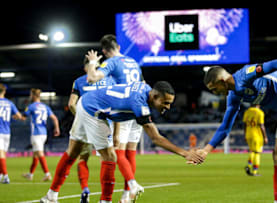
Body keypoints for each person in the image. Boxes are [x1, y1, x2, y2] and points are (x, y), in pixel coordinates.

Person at [40, 81, 204, 203]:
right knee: (110, 157)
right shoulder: (139, 104)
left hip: (85, 102)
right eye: (165, 102)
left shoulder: (145, 89)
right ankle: (105, 200)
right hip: (94, 111)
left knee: (72, 153)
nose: (167, 107)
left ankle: (51, 196)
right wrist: (185, 153)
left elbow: (118, 103)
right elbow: (155, 138)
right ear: (154, 96)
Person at [196, 59, 277, 203]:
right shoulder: (234, 96)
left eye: (214, 88)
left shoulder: (245, 74)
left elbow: (273, 64)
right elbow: (225, 127)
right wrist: (206, 150)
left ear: (222, 80)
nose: (215, 93)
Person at [86, 34, 145, 203]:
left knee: (117, 151)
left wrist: (92, 62)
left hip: (124, 107)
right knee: (131, 153)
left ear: (104, 51)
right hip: (139, 108)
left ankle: (132, 186)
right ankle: (127, 196)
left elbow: (91, 78)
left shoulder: (111, 62)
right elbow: (143, 82)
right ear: (118, 47)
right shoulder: (133, 62)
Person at [68, 56, 116, 203]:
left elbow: (71, 104)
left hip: (84, 126)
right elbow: (114, 105)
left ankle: (85, 189)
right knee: (107, 159)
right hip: (104, 125)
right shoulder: (108, 80)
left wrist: (82, 117)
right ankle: (105, 198)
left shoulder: (78, 81)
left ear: (85, 68)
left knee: (82, 158)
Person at [22, 88, 60, 182]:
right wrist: (57, 128)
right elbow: (54, 118)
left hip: (36, 133)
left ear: (34, 96)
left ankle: (47, 174)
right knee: (35, 154)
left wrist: (16, 116)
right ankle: (30, 174)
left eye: (31, 95)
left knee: (39, 153)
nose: (30, 96)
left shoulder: (31, 106)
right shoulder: (45, 107)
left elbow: (23, 117)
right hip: (44, 133)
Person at [0, 83, 24, 184]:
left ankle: (5, 176)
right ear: (4, 92)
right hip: (7, 132)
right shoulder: (10, 103)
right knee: (3, 154)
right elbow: (19, 116)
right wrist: (14, 117)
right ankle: (1, 175)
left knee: (1, 154)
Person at [242, 104, 268, 176]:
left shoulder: (247, 112)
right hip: (257, 136)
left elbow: (244, 124)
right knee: (257, 153)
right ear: (258, 104)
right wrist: (265, 137)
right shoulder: (260, 113)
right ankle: (254, 172)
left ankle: (248, 166)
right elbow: (261, 126)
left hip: (248, 134)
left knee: (252, 151)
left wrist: (245, 134)